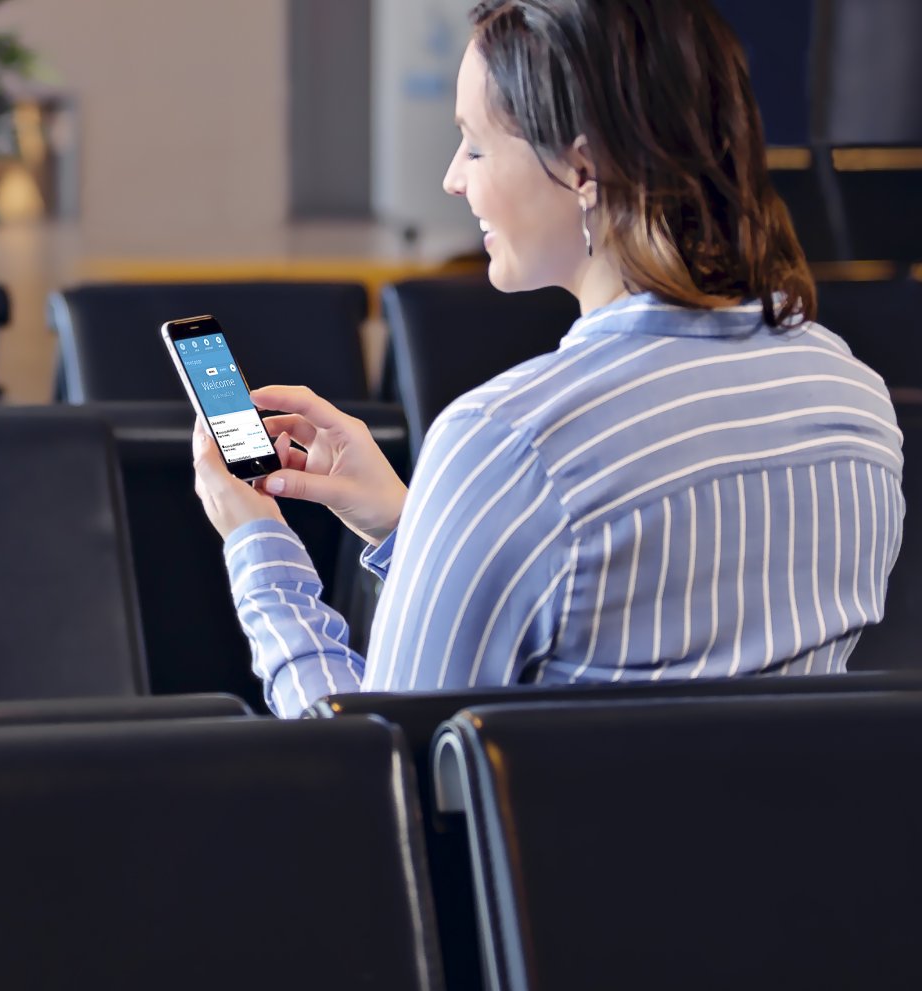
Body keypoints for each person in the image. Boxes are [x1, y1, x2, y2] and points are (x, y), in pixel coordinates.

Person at [192, 0, 904, 717]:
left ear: (583, 168)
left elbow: (373, 778)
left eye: (473, 145)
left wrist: (260, 551)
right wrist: (426, 525)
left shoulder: (509, 441)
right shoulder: (852, 399)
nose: (452, 178)